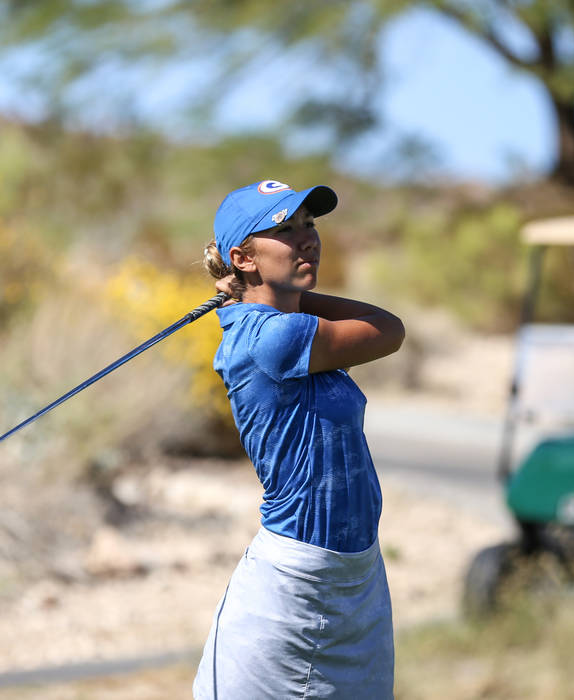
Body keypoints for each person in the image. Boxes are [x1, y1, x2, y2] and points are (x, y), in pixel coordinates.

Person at [194, 179, 404, 699]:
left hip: (358, 576)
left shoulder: (280, 322)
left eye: (309, 225)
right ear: (243, 257)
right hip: (295, 588)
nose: (307, 239)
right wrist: (285, 298)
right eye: (285, 230)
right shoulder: (275, 336)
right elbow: (388, 328)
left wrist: (274, 292)